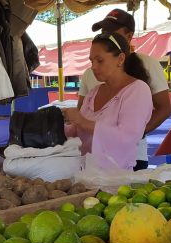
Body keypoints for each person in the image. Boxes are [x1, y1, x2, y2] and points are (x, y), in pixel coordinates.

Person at [77, 9, 171, 170]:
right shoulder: (90, 74)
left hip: (128, 160)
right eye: (104, 31)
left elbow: (164, 108)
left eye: (112, 31)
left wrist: (135, 134)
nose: (106, 35)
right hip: (92, 163)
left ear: (129, 36)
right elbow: (80, 117)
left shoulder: (147, 65)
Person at [63, 32, 153, 171]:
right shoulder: (94, 92)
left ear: (120, 59)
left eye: (99, 60)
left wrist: (82, 121)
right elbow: (77, 131)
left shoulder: (138, 90)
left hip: (116, 180)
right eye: (91, 61)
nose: (93, 67)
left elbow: (126, 137)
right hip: (84, 175)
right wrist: (58, 125)